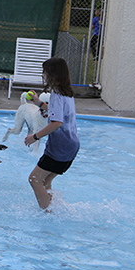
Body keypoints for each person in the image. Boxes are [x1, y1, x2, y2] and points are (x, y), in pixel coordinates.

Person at [24, 58, 80, 210]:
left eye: (45, 71)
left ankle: (47, 213)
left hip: (60, 147)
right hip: (71, 146)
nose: (43, 75)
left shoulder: (56, 93)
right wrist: (39, 103)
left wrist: (34, 136)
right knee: (45, 181)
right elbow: (58, 113)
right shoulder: (67, 92)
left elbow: (57, 123)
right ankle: (53, 209)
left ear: (52, 73)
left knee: (34, 179)